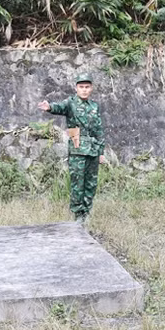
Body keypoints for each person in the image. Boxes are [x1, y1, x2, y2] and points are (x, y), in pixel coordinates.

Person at [38, 73, 106, 225]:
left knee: (91, 183)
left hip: (93, 151)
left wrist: (101, 152)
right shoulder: (70, 103)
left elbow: (99, 129)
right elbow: (59, 107)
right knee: (77, 183)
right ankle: (78, 215)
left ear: (91, 88)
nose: (84, 90)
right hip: (77, 151)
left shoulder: (94, 106)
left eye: (87, 87)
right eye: (81, 87)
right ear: (76, 88)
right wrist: (49, 107)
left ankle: (87, 212)